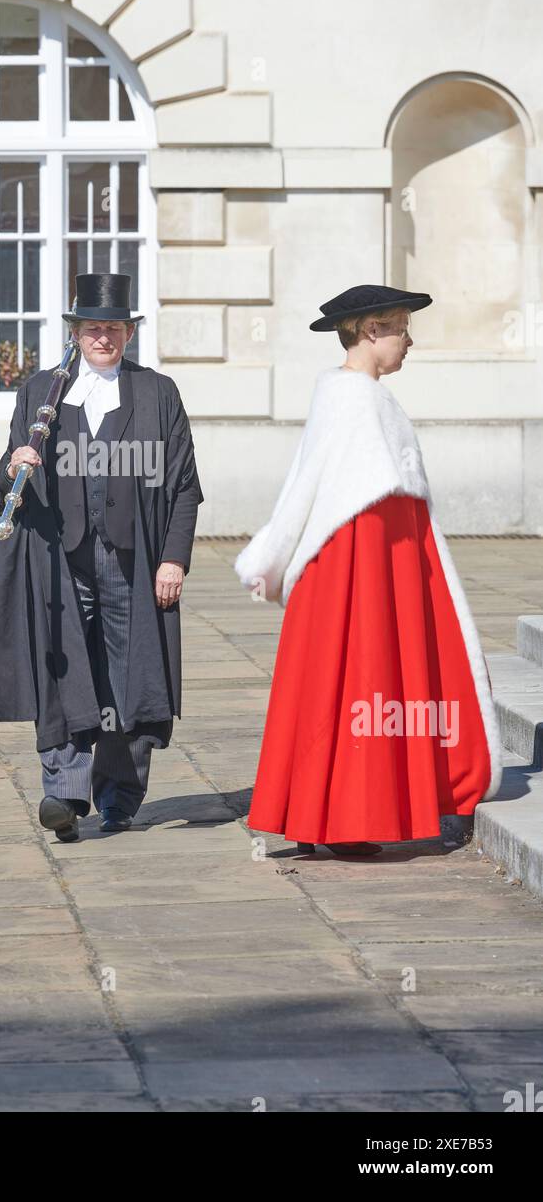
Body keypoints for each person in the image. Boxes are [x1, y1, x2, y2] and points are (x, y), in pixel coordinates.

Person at [234, 284, 502, 858]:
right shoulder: (355, 399)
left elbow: (307, 492)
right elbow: (325, 493)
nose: (410, 340)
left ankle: (320, 815)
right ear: (372, 329)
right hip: (357, 568)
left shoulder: (354, 397)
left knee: (336, 687)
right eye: (403, 327)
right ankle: (346, 816)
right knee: (361, 679)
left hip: (365, 565)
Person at [0, 271, 203, 842]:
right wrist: (13, 465)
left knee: (133, 677)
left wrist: (173, 559)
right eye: (91, 328)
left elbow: (183, 485)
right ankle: (64, 791)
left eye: (113, 328)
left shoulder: (158, 393)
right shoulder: (41, 394)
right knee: (62, 669)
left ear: (128, 334)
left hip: (134, 559)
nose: (102, 337)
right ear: (75, 334)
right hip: (61, 560)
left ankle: (118, 796)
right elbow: (11, 470)